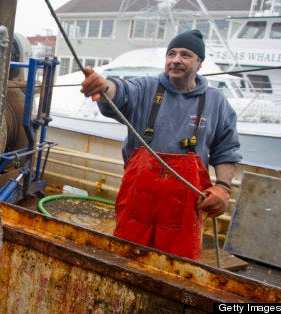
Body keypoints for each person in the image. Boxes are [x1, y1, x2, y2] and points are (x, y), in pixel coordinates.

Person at [79, 29, 242, 260]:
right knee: (125, 262)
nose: (176, 60)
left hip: (185, 209)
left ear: (199, 63)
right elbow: (121, 91)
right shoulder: (146, 88)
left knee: (180, 269)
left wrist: (223, 188)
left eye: (185, 55)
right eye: (171, 54)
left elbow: (226, 150)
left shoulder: (217, 102)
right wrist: (104, 86)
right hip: (138, 204)